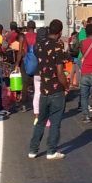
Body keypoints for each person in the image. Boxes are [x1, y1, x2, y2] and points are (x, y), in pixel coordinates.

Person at [28, 19, 70, 160]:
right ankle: (51, 151)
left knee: (40, 120)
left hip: (43, 90)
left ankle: (33, 150)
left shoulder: (39, 45)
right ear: (59, 32)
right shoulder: (58, 46)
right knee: (55, 122)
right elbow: (60, 72)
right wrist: (66, 86)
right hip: (56, 89)